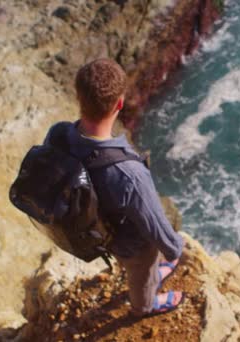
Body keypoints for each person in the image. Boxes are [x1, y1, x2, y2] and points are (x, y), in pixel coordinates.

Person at [44, 58, 185, 316]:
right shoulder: (129, 174)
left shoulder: (59, 134)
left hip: (96, 233)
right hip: (129, 246)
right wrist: (175, 248)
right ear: (120, 103)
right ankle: (145, 305)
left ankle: (152, 276)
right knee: (141, 270)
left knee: (139, 267)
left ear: (78, 97)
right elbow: (156, 227)